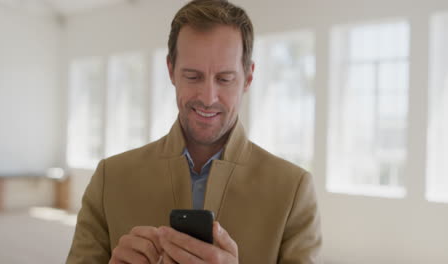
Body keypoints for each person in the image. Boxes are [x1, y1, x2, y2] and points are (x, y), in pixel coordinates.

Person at [66, 0, 322, 263]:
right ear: (170, 71)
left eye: (224, 79)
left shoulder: (293, 191)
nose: (208, 97)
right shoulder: (110, 179)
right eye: (192, 76)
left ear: (248, 77)